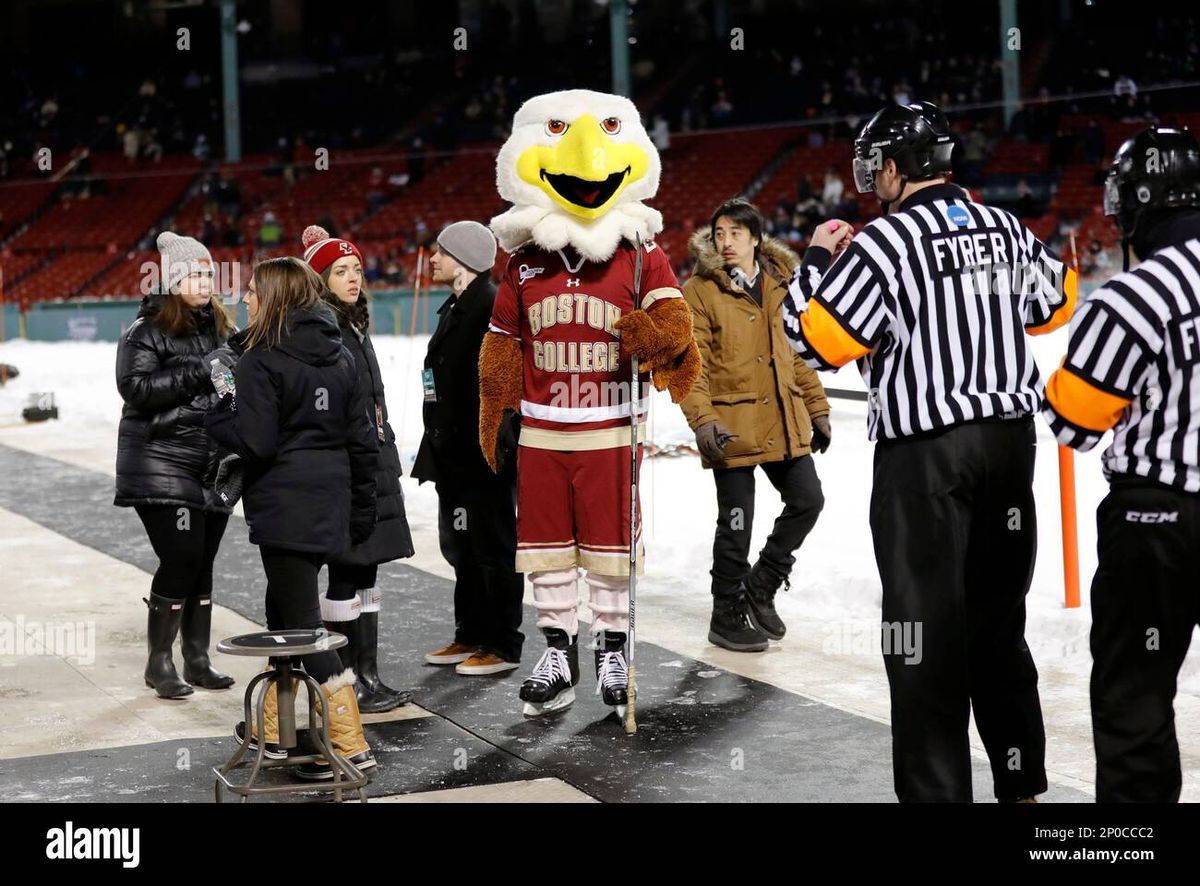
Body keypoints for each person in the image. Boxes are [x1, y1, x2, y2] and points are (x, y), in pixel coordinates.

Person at [782, 101, 1077, 802]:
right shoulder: (1003, 226)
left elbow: (818, 340)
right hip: (1010, 448)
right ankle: (1022, 787)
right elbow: (1056, 303)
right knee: (998, 628)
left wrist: (817, 261)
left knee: (921, 637)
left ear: (892, 166)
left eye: (872, 163)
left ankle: (938, 795)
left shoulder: (885, 242)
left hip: (926, 459)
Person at [480, 89, 701, 718]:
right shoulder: (521, 263)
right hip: (543, 430)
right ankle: (557, 649)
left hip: (610, 427)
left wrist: (655, 335)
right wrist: (494, 409)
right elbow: (502, 342)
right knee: (546, 548)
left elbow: (676, 327)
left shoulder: (641, 255)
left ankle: (612, 646)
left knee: (609, 546)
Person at [1042, 127, 1200, 803]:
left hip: (1158, 518)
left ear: (1139, 203)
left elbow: (1073, 421)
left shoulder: (1137, 295)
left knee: (1135, 694)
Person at [205, 257, 379, 780]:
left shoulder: (261, 360)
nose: (245, 300)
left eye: (253, 292)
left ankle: (349, 743)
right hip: (330, 502)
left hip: (285, 506)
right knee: (282, 615)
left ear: (275, 297)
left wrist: (219, 413)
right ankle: (276, 733)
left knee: (303, 626)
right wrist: (362, 508)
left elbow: (256, 441)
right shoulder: (342, 352)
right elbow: (362, 439)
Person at [680, 199, 829, 652]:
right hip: (731, 426)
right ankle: (725, 613)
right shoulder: (700, 292)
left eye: (736, 234)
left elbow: (795, 355)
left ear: (756, 239)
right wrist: (704, 420)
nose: (725, 242)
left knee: (808, 500)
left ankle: (761, 584)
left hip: (781, 418)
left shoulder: (782, 286)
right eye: (719, 233)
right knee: (736, 521)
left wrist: (817, 408)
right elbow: (692, 367)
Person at [115, 231, 236, 699]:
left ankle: (198, 657)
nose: (205, 281)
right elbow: (138, 390)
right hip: (160, 458)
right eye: (194, 274)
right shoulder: (144, 331)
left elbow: (226, 387)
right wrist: (203, 369)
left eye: (209, 273)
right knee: (182, 555)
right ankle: (159, 661)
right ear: (173, 281)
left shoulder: (219, 330)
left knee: (202, 559)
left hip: (210, 462)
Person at [302, 225, 416, 713]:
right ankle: (345, 682)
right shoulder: (321, 328)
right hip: (349, 464)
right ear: (320, 279)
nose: (353, 279)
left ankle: (368, 675)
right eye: (340, 271)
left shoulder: (352, 323)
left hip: (373, 459)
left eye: (356, 270)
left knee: (367, 570)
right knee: (347, 571)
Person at [413, 221, 524, 676]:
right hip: (453, 455)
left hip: (483, 455)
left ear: (460, 258)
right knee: (462, 547)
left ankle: (501, 643)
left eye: (440, 252)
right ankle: (470, 633)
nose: (432, 259)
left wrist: (497, 441)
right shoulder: (457, 305)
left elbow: (504, 381)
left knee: (493, 547)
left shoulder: (491, 305)